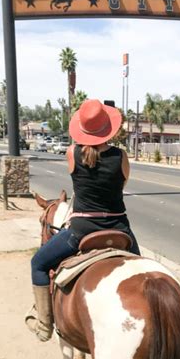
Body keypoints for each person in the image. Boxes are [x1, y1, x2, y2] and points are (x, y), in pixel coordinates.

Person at [26, 99, 141, 342]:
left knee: (37, 263)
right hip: (120, 230)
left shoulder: (72, 153)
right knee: (141, 269)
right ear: (108, 130)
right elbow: (122, 185)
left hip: (82, 231)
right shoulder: (121, 156)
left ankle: (45, 325)